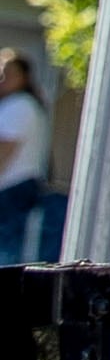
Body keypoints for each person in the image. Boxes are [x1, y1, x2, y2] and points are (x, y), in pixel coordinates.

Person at [0, 50, 46, 261]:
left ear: (23, 77)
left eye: (9, 73)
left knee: (6, 252)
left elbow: (4, 151)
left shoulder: (20, 105)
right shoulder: (20, 105)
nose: (3, 78)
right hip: (16, 189)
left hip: (13, 189)